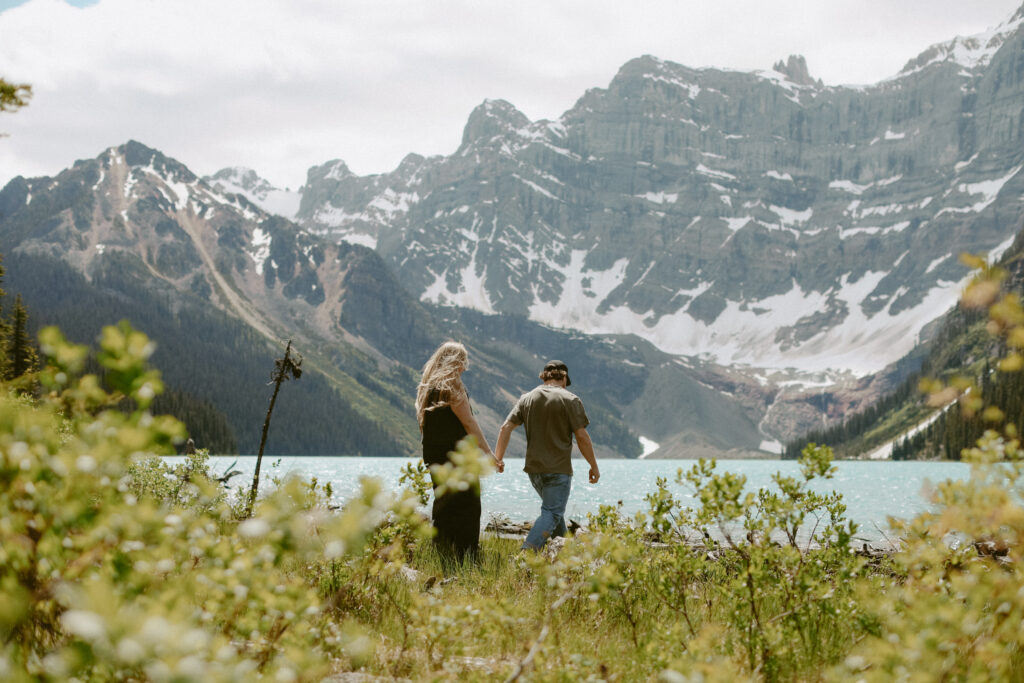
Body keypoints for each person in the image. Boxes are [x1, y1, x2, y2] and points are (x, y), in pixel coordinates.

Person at [494, 360, 599, 551]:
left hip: (534, 472)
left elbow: (506, 427)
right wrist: (593, 465)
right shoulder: (570, 399)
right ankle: (526, 553)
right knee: (551, 512)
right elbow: (582, 436)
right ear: (564, 377)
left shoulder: (527, 398)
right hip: (558, 470)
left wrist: (498, 458)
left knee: (553, 514)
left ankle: (565, 556)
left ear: (544, 376)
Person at [415, 341, 496, 567]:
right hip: (457, 454)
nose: (464, 367)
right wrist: (488, 453)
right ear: (456, 362)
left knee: (444, 504)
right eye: (463, 362)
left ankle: (440, 553)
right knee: (469, 505)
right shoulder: (452, 386)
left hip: (434, 454)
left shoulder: (428, 386)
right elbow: (469, 422)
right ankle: (467, 556)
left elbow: (424, 425)